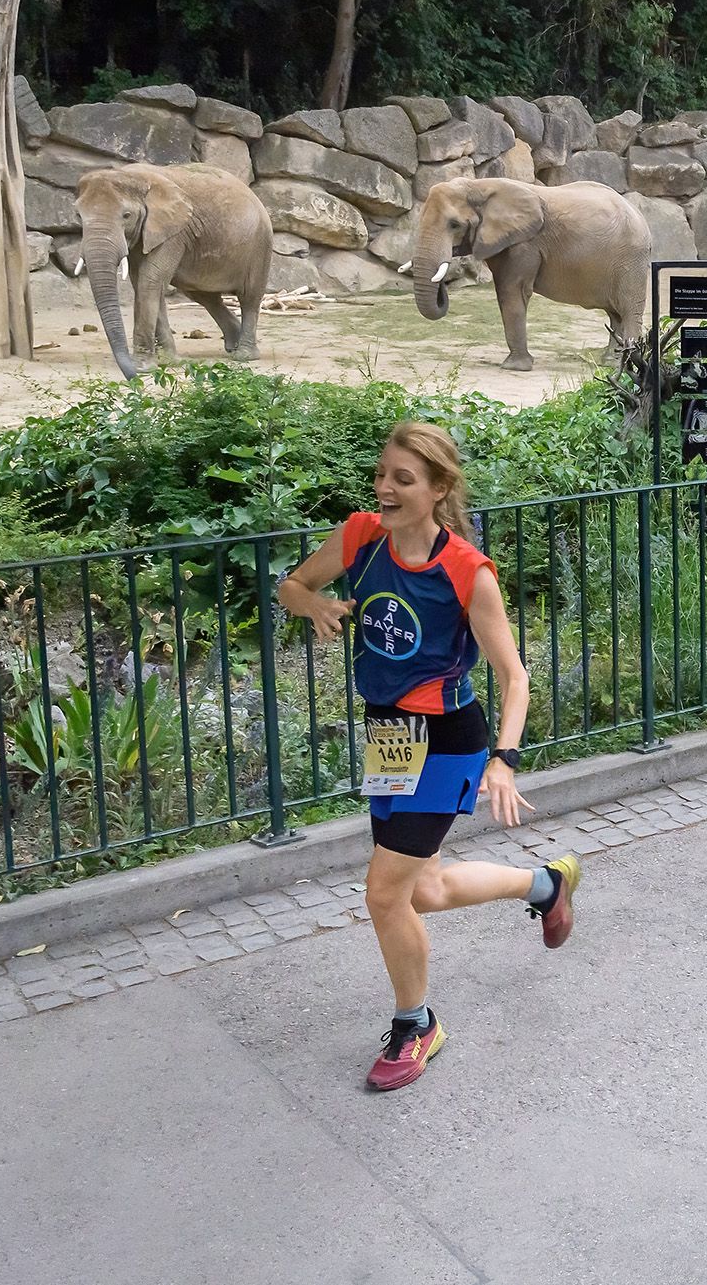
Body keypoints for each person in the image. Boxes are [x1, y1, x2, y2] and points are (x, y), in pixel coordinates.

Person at [277, 422, 580, 1093]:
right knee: (425, 888)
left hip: (447, 738)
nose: (385, 487)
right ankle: (544, 885)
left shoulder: (466, 572)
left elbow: (515, 675)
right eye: (382, 473)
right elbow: (290, 585)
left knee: (384, 892)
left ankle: (416, 1024)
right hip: (387, 732)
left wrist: (504, 759)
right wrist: (311, 603)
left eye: (403, 479)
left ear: (439, 489)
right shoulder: (359, 536)